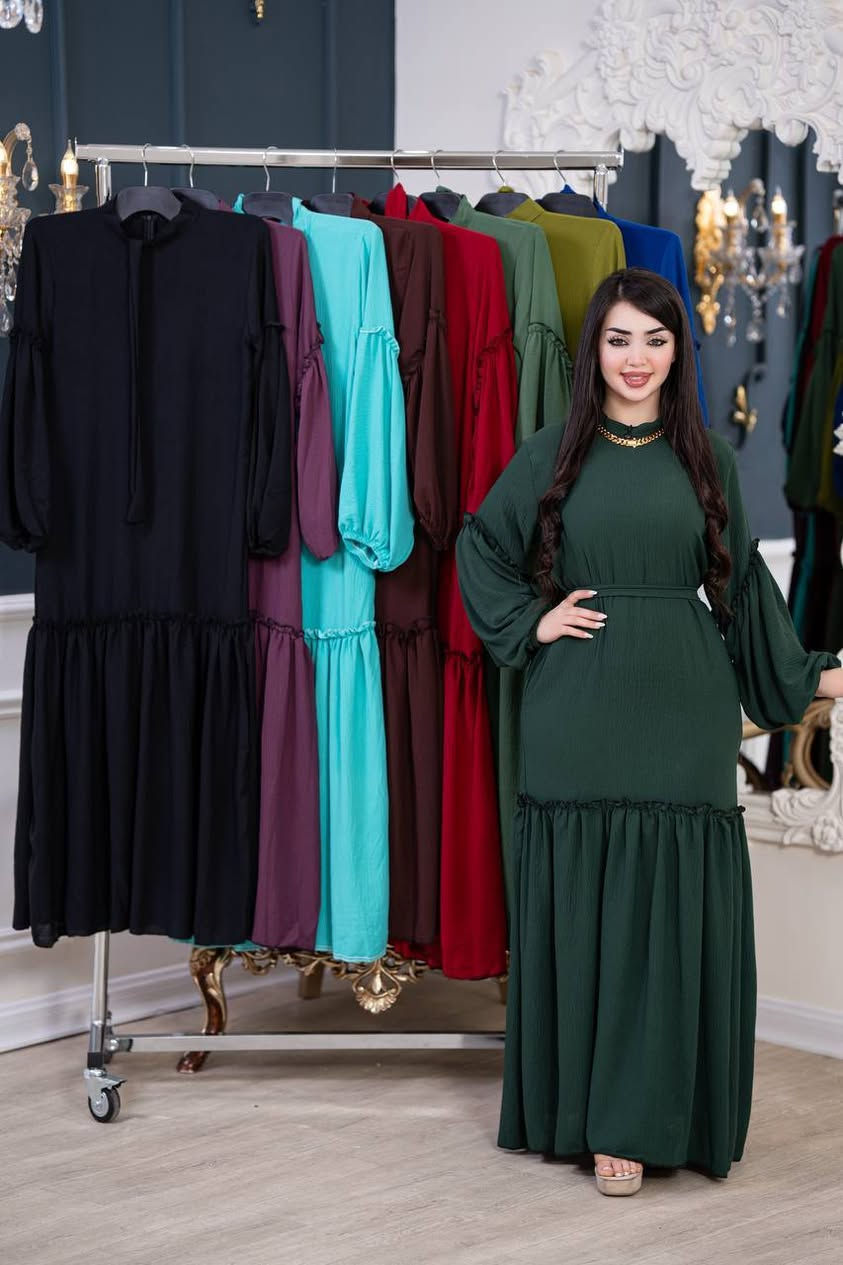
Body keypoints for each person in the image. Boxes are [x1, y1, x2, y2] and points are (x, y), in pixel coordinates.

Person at [455, 268, 843, 1196]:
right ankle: (585, 1117)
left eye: (655, 341)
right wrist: (534, 621)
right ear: (594, 349)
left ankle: (644, 1117)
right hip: (575, 713)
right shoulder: (553, 453)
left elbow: (745, 594)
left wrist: (816, 673)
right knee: (590, 911)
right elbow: (480, 546)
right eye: (619, 339)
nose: (636, 358)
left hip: (680, 712)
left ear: (677, 352)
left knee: (663, 918)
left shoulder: (705, 457)